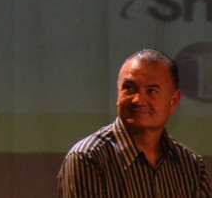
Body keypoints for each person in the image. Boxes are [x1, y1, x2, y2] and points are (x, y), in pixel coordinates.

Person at [57, 48, 211, 197]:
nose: (138, 100)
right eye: (129, 88)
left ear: (173, 101)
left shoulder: (192, 166)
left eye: (151, 91)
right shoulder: (88, 158)